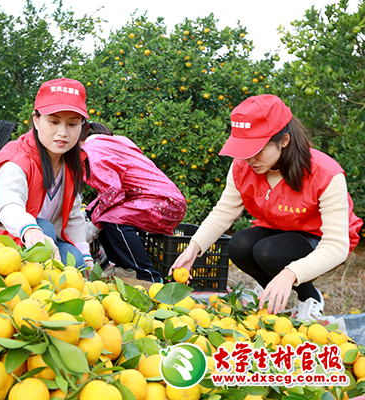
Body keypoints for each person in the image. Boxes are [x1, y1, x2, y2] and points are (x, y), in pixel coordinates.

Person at [170, 95, 363, 320]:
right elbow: (224, 211)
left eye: (257, 149)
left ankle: (309, 298)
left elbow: (337, 245)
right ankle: (269, 290)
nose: (249, 158)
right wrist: (193, 248)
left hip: (317, 237)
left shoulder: (326, 174)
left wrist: (291, 273)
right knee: (239, 245)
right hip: (279, 229)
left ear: (283, 140)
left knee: (268, 252)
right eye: (244, 149)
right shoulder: (242, 167)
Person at [0, 77, 92, 268]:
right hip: (0, 243)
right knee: (44, 227)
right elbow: (8, 202)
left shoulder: (70, 162)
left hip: (41, 240)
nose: (63, 133)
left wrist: (86, 256)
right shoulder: (16, 159)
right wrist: (30, 230)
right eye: (53, 122)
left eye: (72, 124)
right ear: (36, 120)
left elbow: (74, 214)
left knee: (76, 262)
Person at [80, 122, 187, 282]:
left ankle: (148, 277)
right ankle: (125, 270)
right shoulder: (109, 144)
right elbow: (113, 193)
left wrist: (91, 225)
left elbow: (113, 193)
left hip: (162, 201)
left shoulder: (92, 151)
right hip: (163, 199)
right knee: (104, 216)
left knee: (111, 218)